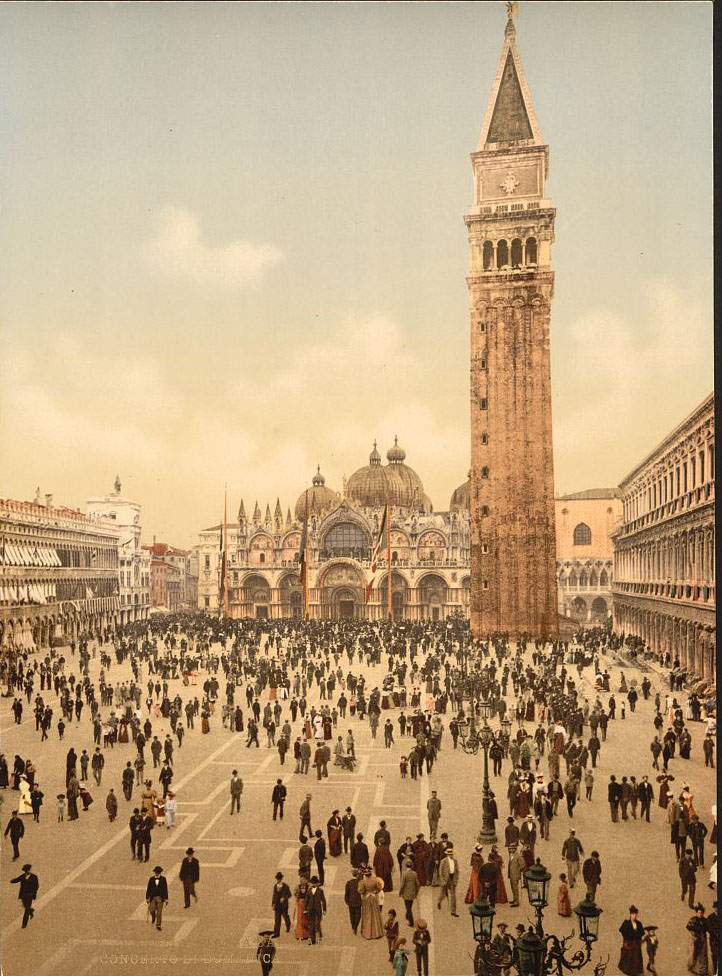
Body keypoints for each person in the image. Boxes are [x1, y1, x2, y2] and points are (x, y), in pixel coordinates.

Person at [10, 863, 39, 928]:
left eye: (28, 870)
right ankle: (31, 911)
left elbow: (36, 886)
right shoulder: (23, 876)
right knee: (25, 906)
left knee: (26, 909)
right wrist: (12, 881)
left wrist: (34, 893)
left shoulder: (34, 877)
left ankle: (24, 924)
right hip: (23, 895)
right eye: (26, 871)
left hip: (30, 895)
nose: (27, 872)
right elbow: (17, 879)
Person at [618, 905, 645, 976]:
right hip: (629, 945)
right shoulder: (626, 923)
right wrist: (626, 941)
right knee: (628, 961)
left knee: (636, 961)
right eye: (632, 914)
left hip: (636, 946)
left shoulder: (639, 924)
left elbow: (641, 933)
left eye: (635, 914)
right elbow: (622, 931)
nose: (634, 916)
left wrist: (638, 939)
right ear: (630, 914)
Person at [359, 867, 384, 939]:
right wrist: (375, 892)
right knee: (375, 913)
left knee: (367, 914)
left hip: (366, 898)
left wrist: (365, 892)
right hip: (373, 898)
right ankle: (377, 932)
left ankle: (367, 933)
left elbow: (360, 891)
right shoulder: (375, 880)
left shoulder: (363, 882)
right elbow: (379, 888)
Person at [686, 904, 709, 975]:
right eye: (699, 912)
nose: (700, 914)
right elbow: (688, 927)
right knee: (694, 953)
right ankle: (691, 967)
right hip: (695, 938)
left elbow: (708, 928)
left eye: (701, 913)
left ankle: (703, 971)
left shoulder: (705, 920)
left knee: (703, 954)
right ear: (696, 913)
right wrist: (694, 934)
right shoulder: (693, 919)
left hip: (702, 939)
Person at [437, 847, 459, 916]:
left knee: (453, 896)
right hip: (445, 879)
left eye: (452, 854)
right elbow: (440, 871)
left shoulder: (455, 861)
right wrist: (442, 880)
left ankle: (453, 911)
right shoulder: (443, 861)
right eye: (450, 854)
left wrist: (456, 880)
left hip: (452, 879)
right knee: (442, 894)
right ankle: (439, 902)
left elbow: (457, 871)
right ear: (447, 854)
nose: (451, 855)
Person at [146, 866, 168, 931]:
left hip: (160, 898)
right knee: (151, 909)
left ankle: (158, 925)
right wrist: (147, 898)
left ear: (160, 873)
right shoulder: (151, 879)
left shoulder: (163, 879)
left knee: (159, 912)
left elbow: (165, 889)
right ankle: (153, 916)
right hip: (153, 897)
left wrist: (166, 899)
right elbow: (148, 889)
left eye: (157, 872)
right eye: (155, 872)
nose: (156, 873)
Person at [399, 857, 420, 926]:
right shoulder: (414, 873)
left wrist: (400, 892)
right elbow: (418, 884)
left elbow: (402, 885)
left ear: (406, 866)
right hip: (412, 893)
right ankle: (407, 915)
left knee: (408, 907)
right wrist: (416, 892)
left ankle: (411, 922)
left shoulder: (404, 874)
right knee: (409, 906)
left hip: (406, 893)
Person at [306, 876, 327, 945]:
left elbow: (323, 900)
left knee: (317, 923)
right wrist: (305, 909)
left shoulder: (320, 891)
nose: (314, 884)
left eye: (315, 883)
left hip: (318, 909)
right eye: (313, 883)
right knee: (311, 925)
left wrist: (324, 909)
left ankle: (318, 935)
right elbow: (306, 900)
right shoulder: (309, 891)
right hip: (310, 910)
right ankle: (313, 939)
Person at [271, 872, 292, 937]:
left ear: (281, 879)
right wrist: (273, 904)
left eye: (279, 879)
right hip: (277, 905)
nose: (278, 880)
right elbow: (274, 895)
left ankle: (288, 925)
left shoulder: (286, 886)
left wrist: (284, 898)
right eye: (277, 879)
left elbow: (289, 895)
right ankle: (276, 933)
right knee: (277, 919)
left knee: (285, 917)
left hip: (284, 906)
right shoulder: (275, 886)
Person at [344, 868, 362, 935]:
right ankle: (355, 926)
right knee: (358, 915)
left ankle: (353, 927)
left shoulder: (348, 883)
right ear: (357, 875)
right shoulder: (360, 882)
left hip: (351, 902)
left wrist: (346, 900)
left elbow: (346, 893)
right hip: (358, 901)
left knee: (352, 915)